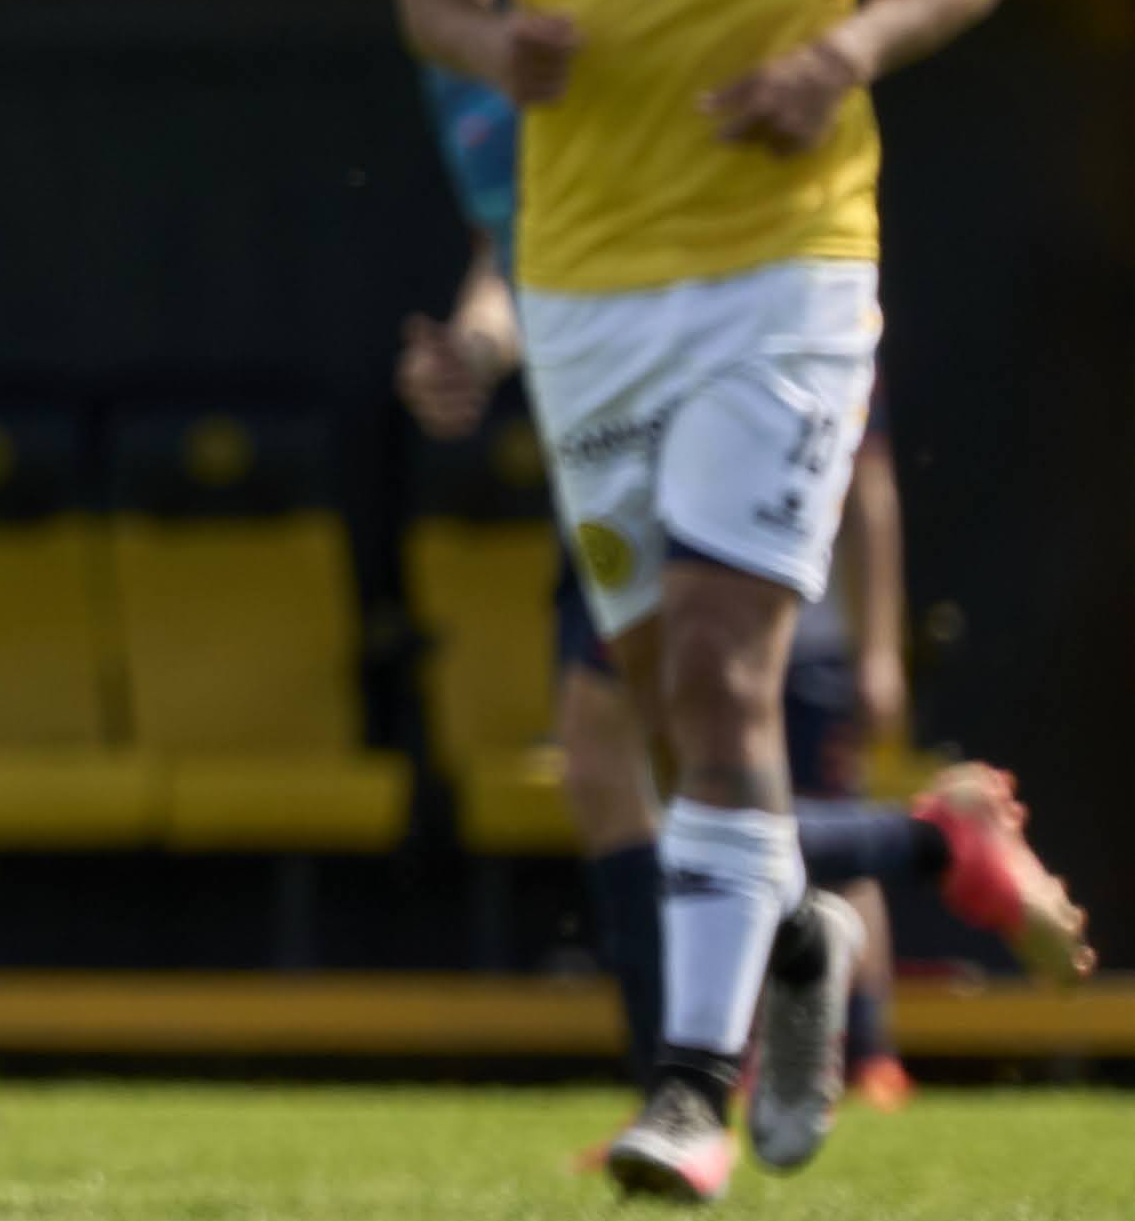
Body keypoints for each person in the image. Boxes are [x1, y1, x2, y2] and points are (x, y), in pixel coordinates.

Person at [394, 0, 1008, 1204]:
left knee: (733, 664)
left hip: (781, 262)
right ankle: (820, 922)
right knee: (647, 690)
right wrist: (488, 37)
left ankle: (682, 1085)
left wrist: (843, 47)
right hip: (583, 278)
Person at [401, 71, 1089, 1128]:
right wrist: (473, 353)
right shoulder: (483, 52)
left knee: (627, 763)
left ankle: (693, 1090)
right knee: (660, 789)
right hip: (609, 441)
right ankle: (905, 866)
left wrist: (873, 645)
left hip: (703, 436)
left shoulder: (644, 30)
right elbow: (512, 253)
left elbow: (867, 465)